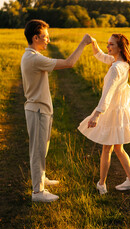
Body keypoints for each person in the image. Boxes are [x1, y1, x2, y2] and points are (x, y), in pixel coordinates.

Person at [21, 19, 91, 202]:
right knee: (37, 150)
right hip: (37, 110)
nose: (48, 41)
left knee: (42, 147)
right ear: (35, 38)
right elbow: (69, 63)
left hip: (40, 109)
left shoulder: (31, 55)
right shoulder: (34, 58)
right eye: (45, 37)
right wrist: (83, 43)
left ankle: (41, 179)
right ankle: (37, 192)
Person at [78, 33, 130, 195]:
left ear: (120, 48)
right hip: (119, 109)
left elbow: (107, 93)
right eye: (107, 44)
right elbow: (101, 56)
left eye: (111, 45)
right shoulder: (121, 63)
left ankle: (102, 184)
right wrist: (94, 44)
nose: (108, 47)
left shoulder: (115, 68)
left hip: (112, 111)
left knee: (107, 148)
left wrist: (96, 115)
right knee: (118, 148)